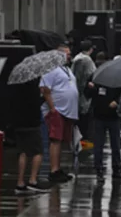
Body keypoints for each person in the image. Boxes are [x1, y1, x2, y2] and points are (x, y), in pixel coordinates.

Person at [40, 44, 78, 183]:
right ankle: (53, 170)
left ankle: (58, 168)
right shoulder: (51, 69)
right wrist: (52, 108)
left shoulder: (66, 69)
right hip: (57, 110)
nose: (69, 56)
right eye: (67, 54)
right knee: (55, 140)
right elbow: (45, 89)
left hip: (67, 111)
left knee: (61, 141)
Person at [86, 54, 121, 181]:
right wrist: (91, 88)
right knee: (99, 145)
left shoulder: (118, 78)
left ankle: (117, 169)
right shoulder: (94, 77)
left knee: (115, 145)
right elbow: (87, 94)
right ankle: (99, 169)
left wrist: (117, 102)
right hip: (99, 116)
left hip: (113, 116)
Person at [13, 79, 49, 194]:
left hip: (19, 123)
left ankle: (20, 183)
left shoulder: (17, 86)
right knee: (38, 152)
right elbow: (35, 103)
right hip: (32, 123)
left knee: (23, 152)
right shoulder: (34, 87)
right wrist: (43, 95)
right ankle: (33, 180)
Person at [71, 40, 96, 141]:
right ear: (90, 49)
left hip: (76, 90)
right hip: (84, 92)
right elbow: (91, 74)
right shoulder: (87, 60)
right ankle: (84, 137)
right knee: (85, 118)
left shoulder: (77, 58)